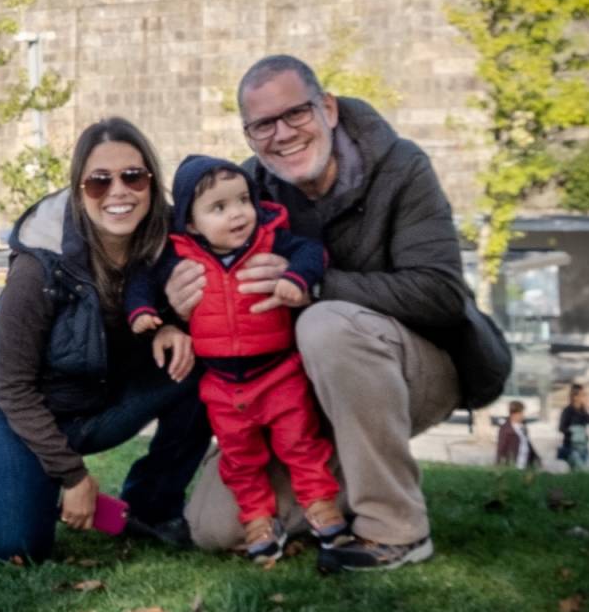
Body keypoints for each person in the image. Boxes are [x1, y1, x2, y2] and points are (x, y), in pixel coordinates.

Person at [174, 54, 510, 574]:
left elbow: (442, 294)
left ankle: (395, 530)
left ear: (327, 108)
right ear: (248, 135)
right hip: (293, 395)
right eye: (263, 124)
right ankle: (340, 494)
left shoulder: (402, 168)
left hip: (416, 367)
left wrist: (313, 285)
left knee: (324, 323)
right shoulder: (242, 193)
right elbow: (189, 269)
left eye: (296, 114)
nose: (283, 134)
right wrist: (178, 297)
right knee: (214, 525)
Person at [0, 118, 212, 563]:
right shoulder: (39, 265)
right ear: (78, 189)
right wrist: (73, 478)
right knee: (17, 547)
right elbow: (12, 386)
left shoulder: (168, 241)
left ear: (151, 181)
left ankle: (152, 504)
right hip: (10, 410)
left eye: (133, 176)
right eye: (98, 182)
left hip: (92, 403)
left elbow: (132, 327)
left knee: (199, 364)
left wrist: (170, 326)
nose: (118, 192)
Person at [126, 154, 342, 561]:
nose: (239, 213)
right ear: (191, 223)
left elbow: (312, 253)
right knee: (240, 458)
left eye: (244, 200)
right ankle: (258, 518)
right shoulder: (179, 256)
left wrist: (297, 279)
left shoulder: (271, 239)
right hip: (223, 386)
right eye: (219, 208)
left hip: (280, 373)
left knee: (301, 443)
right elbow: (143, 279)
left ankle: (320, 504)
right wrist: (142, 312)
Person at [557, 383, 589, 470]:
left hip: (583, 447)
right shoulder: (567, 410)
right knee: (582, 469)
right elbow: (561, 428)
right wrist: (574, 432)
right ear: (575, 397)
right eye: (583, 395)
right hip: (571, 448)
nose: (585, 397)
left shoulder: (583, 410)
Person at [495, 401, 541, 469]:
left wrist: (536, 457)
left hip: (526, 463)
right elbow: (501, 447)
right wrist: (498, 464)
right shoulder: (505, 428)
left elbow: (527, 443)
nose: (523, 415)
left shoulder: (523, 427)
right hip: (514, 464)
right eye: (521, 413)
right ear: (514, 414)